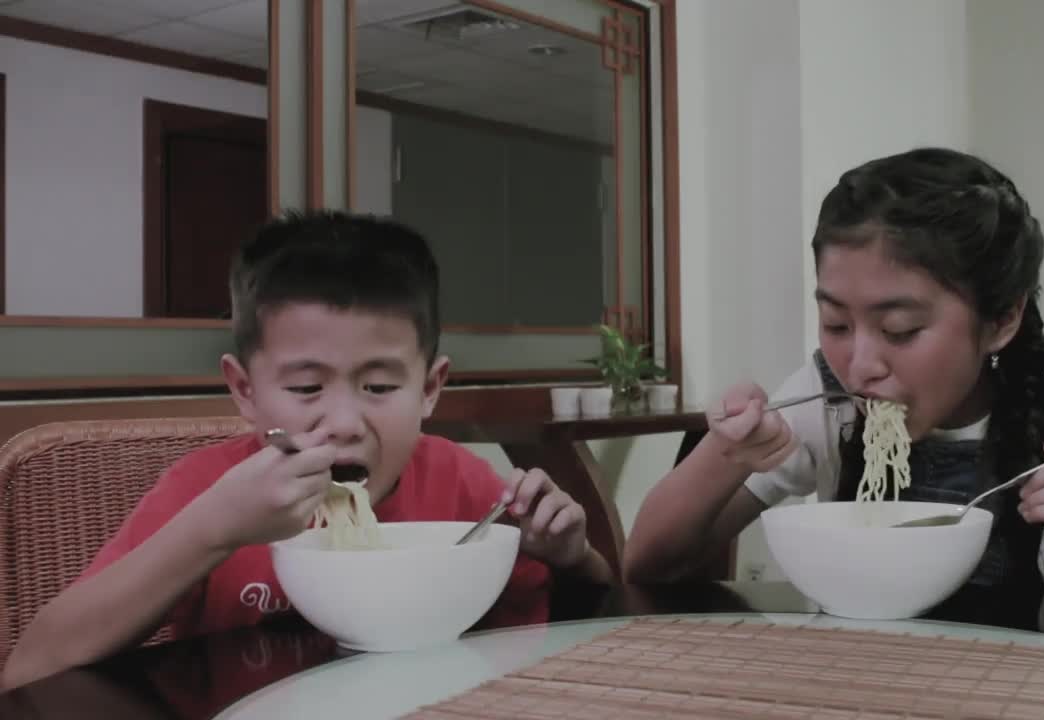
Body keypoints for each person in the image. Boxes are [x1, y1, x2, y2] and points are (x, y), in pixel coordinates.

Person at [624, 147, 1044, 622]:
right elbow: (648, 563)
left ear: (1002, 318)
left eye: (900, 329)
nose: (860, 363)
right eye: (835, 321)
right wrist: (727, 449)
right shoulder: (826, 395)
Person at [2, 211, 613, 690]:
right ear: (244, 390)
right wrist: (213, 531)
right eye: (304, 388)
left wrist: (570, 554)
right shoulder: (211, 492)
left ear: (430, 389)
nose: (344, 422)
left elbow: (578, 613)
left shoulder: (463, 485)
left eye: (379, 387)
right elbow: (31, 668)